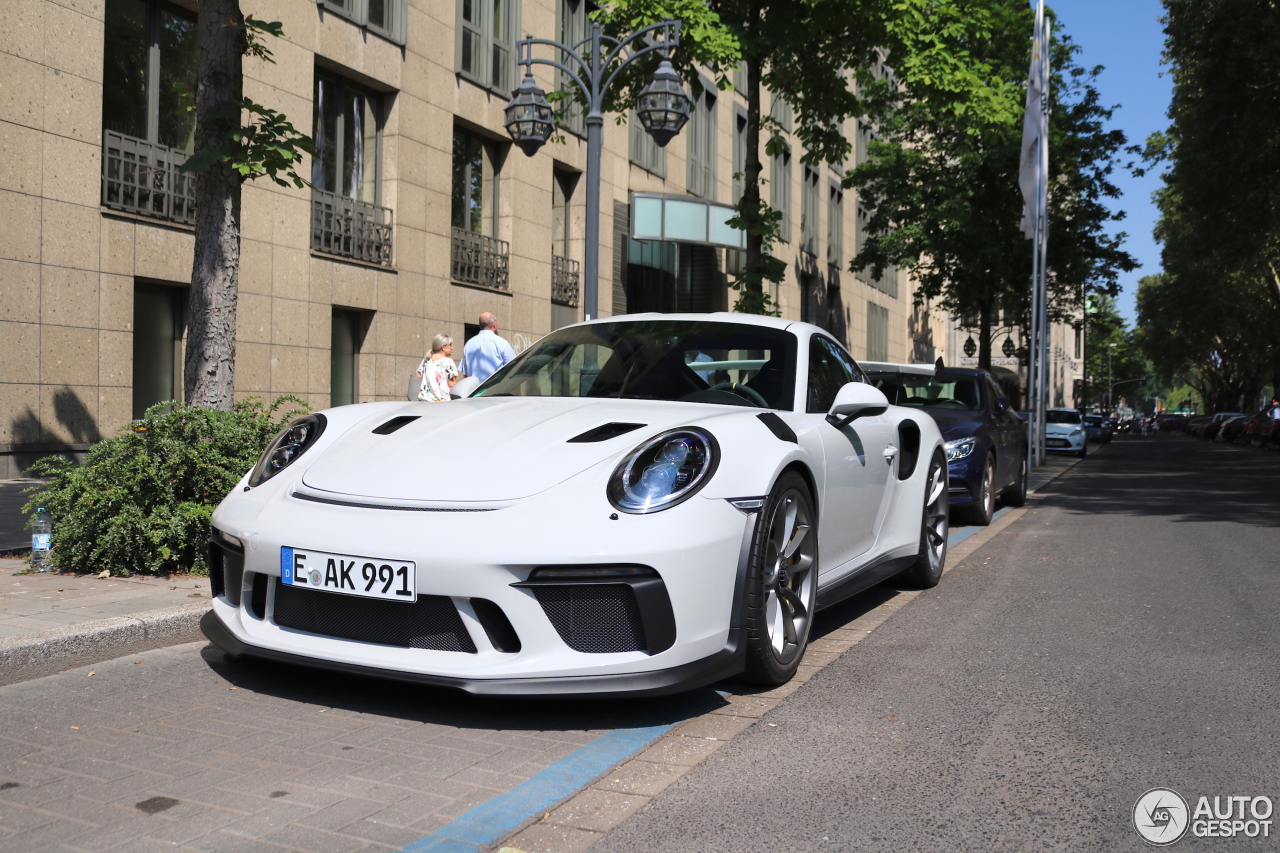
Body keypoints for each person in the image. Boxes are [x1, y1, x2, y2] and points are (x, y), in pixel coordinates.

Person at [458, 311, 516, 383]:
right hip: (495, 390)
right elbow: (514, 368)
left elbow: (465, 375)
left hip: (473, 391)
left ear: (480, 325)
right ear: (494, 325)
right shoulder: (502, 344)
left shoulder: (469, 344)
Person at [417, 334, 459, 402]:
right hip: (441, 403)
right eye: (450, 345)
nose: (452, 348)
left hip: (424, 401)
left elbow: (417, 377)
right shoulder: (448, 362)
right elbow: (452, 385)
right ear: (443, 347)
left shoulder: (426, 360)